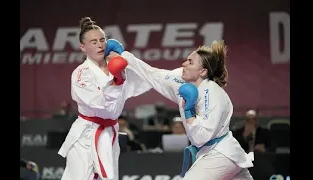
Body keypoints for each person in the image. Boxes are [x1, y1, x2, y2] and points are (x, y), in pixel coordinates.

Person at [105, 39, 254, 179]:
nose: (184, 63)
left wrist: (189, 110)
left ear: (202, 71)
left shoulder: (214, 95)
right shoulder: (181, 79)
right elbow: (153, 75)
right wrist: (124, 55)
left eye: (190, 62)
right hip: (209, 152)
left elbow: (201, 137)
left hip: (221, 153)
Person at [58, 17, 151, 180]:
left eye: (102, 40)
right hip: (86, 135)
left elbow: (145, 80)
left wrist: (123, 58)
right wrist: (116, 80)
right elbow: (100, 103)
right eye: (93, 42)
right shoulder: (81, 73)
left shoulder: (118, 66)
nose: (100, 44)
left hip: (109, 133)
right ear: (83, 47)